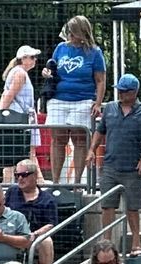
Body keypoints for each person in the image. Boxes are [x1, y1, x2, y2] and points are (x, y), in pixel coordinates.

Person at [92, 74, 141, 255]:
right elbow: (100, 131)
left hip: (132, 167)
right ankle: (106, 243)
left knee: (133, 207)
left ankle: (136, 242)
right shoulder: (110, 109)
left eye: (124, 91)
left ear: (134, 92)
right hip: (110, 165)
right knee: (107, 205)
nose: (121, 94)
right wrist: (92, 149)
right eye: (119, 91)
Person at [46, 13, 107, 184]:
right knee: (58, 139)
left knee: (80, 140)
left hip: (83, 98)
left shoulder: (94, 52)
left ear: (82, 33)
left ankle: (77, 182)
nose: (70, 37)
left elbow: (100, 80)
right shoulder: (61, 48)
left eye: (73, 33)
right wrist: (48, 73)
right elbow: (53, 68)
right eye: (69, 33)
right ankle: (56, 181)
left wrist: (98, 102)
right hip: (59, 98)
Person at [0, 46, 43, 183]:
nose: (35, 60)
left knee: (25, 152)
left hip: (21, 118)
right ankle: (9, 183)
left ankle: (38, 181)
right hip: (18, 119)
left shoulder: (19, 72)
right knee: (19, 153)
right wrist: (1, 114)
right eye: (32, 57)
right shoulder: (20, 73)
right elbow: (9, 95)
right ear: (23, 59)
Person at [7, 160, 59, 264]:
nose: (20, 178)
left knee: (46, 241)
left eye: (24, 175)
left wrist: (35, 234)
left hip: (34, 238)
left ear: (35, 175)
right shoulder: (11, 192)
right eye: (17, 175)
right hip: (12, 235)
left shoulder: (47, 199)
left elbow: (51, 224)